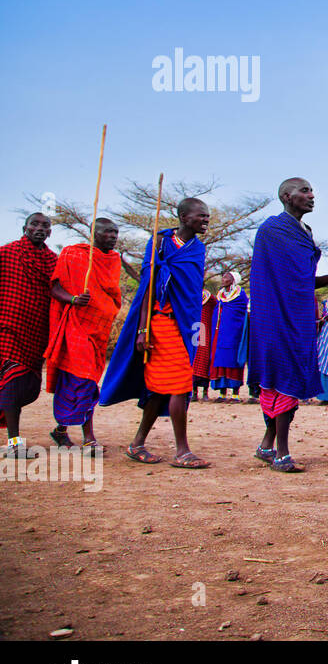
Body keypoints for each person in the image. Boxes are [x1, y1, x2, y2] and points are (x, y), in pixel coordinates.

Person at [247, 178, 328, 473]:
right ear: (286, 196)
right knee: (282, 378)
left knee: (289, 377)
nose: (311, 195)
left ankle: (267, 444)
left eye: (311, 190)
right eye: (304, 190)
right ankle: (281, 452)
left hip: (299, 317)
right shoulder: (273, 229)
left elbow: (303, 281)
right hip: (274, 316)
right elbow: (275, 279)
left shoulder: (304, 231)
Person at [100, 198, 211, 468]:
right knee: (181, 384)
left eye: (208, 216)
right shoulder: (159, 243)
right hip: (159, 323)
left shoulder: (197, 249)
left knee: (162, 389)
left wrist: (198, 331)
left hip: (185, 324)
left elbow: (192, 291)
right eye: (201, 216)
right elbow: (148, 287)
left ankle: (137, 443)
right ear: (184, 217)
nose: (206, 220)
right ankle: (182, 451)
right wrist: (141, 330)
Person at [46, 217, 122, 452]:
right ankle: (89, 437)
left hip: (99, 328)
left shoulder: (114, 259)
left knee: (83, 379)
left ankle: (61, 430)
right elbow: (55, 287)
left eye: (115, 233)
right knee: (84, 379)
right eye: (107, 232)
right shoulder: (74, 254)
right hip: (75, 325)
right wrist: (74, 299)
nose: (113, 237)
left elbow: (112, 293)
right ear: (94, 234)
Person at [0, 213, 58, 457]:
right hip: (7, 329)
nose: (39, 228)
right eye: (34, 224)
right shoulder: (7, 253)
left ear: (50, 232)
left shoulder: (53, 260)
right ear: (25, 228)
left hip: (36, 334)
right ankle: (14, 445)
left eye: (45, 226)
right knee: (11, 385)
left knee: (28, 388)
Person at [208, 270, 249, 402]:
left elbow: (241, 315)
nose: (223, 278)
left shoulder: (240, 296)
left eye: (227, 277)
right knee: (220, 361)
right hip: (219, 334)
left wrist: (234, 329)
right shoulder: (220, 296)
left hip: (234, 334)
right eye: (224, 276)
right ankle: (222, 393)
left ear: (233, 280)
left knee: (233, 361)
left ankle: (236, 393)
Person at [190, 286, 215, 402]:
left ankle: (205, 391)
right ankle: (194, 391)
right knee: (194, 360)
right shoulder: (191, 295)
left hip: (205, 331)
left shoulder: (210, 298)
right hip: (194, 330)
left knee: (204, 360)